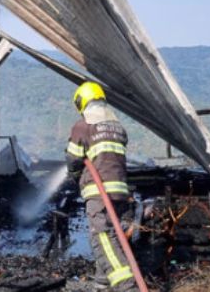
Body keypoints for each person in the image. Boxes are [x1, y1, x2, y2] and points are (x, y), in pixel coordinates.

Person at [66, 81, 137, 291]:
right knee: (113, 234)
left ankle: (127, 286)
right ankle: (102, 282)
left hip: (99, 192)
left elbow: (73, 160)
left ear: (82, 102)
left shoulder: (82, 127)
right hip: (120, 191)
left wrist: (74, 177)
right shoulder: (118, 127)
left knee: (103, 238)